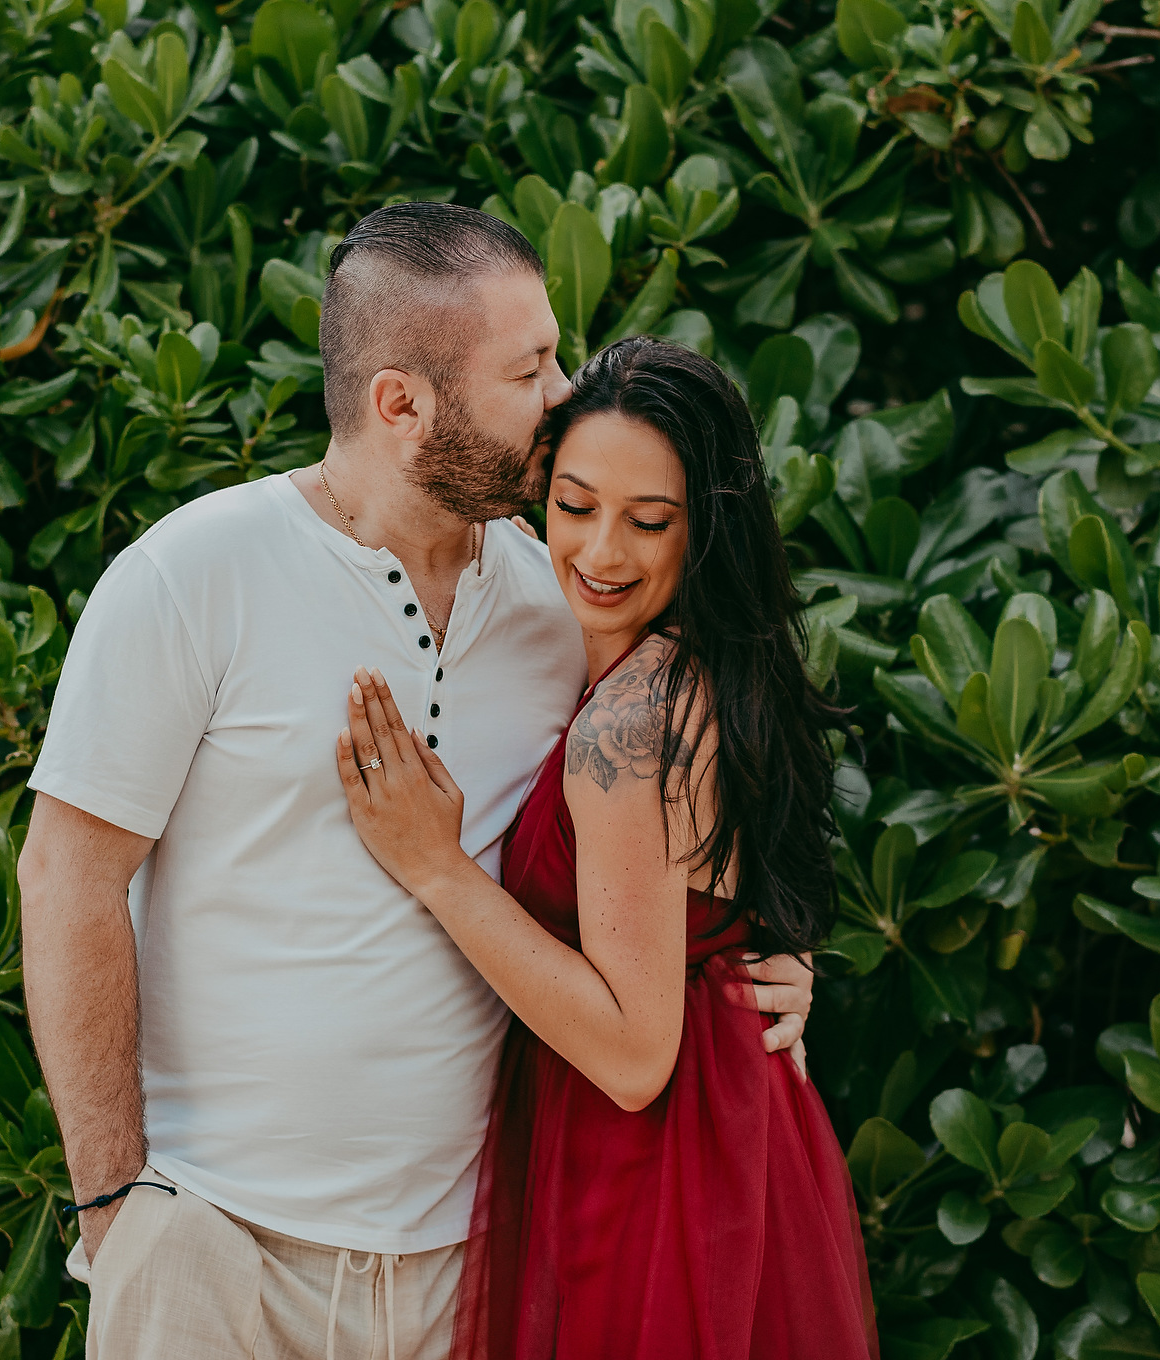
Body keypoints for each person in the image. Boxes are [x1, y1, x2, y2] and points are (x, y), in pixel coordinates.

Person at [16, 203, 818, 1360]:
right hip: (214, 1245)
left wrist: (761, 957)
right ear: (403, 403)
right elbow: (66, 878)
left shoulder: (566, 605)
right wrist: (114, 1208)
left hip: (470, 1270)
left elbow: (677, 816)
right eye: (529, 368)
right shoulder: (194, 574)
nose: (563, 395)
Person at [334, 336, 878, 1360]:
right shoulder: (695, 665)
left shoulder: (631, 720)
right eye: (576, 506)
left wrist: (437, 868)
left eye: (650, 521)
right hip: (724, 1141)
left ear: (706, 528)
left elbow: (633, 1054)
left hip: (658, 1167)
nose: (602, 554)